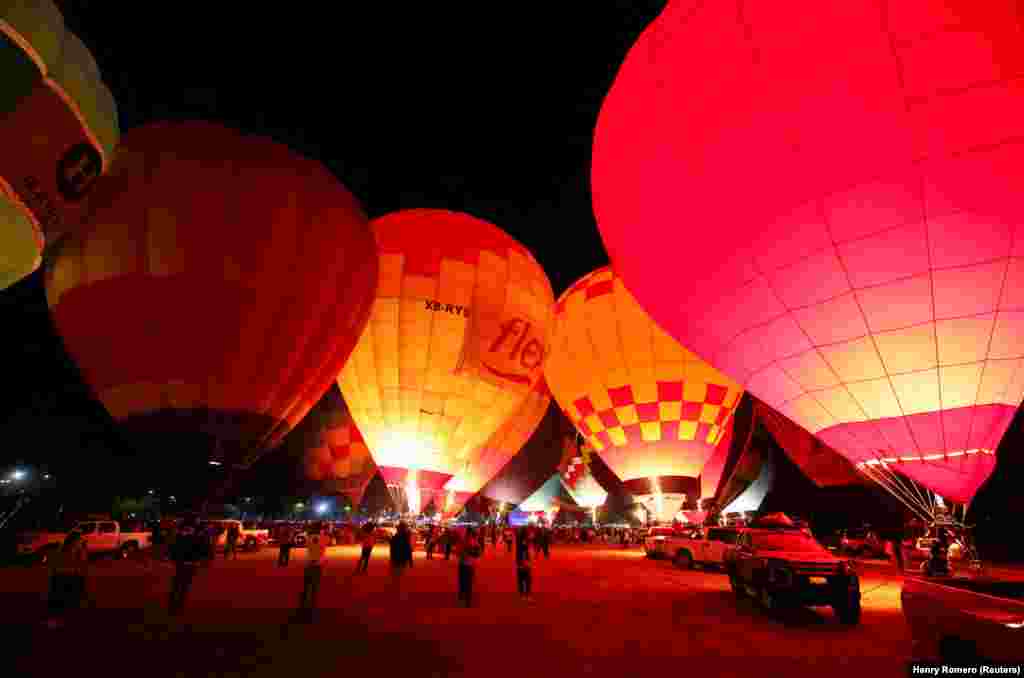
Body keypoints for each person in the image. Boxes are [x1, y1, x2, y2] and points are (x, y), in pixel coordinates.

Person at [45, 530, 89, 629]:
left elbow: (82, 564)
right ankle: (56, 621)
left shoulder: (72, 550)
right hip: (64, 577)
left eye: (81, 540)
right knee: (62, 600)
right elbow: (80, 564)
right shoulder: (64, 550)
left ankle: (61, 620)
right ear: (74, 540)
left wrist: (83, 550)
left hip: (67, 577)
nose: (81, 542)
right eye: (80, 540)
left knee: (67, 601)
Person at [168, 516, 205, 616]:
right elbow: (200, 550)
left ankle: (175, 605)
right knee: (182, 585)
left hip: (184, 563)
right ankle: (176, 605)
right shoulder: (195, 536)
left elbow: (173, 548)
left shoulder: (182, 535)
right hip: (186, 563)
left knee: (179, 585)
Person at [297, 528, 327, 621]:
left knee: (306, 585)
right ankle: (312, 605)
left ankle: (303, 604)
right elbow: (325, 542)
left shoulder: (308, 538)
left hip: (309, 564)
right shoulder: (324, 539)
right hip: (318, 565)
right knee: (315, 586)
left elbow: (306, 544)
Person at [457, 527, 480, 607]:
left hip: (468, 564)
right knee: (463, 582)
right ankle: (463, 598)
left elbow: (477, 554)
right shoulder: (465, 541)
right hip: (465, 564)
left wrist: (469, 551)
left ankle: (466, 599)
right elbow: (459, 552)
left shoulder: (474, 542)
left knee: (466, 582)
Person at [390, 523, 414, 597]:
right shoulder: (405, 537)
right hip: (401, 557)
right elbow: (408, 549)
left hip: (397, 557)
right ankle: (397, 589)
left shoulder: (397, 537)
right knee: (399, 573)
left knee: (396, 574)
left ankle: (396, 588)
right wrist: (410, 560)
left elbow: (392, 548)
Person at [515, 527, 532, 601]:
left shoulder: (522, 541)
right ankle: (524, 594)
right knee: (524, 578)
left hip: (524, 561)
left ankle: (525, 594)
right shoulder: (521, 542)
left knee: (525, 579)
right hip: (522, 561)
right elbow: (521, 552)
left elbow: (525, 551)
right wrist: (521, 563)